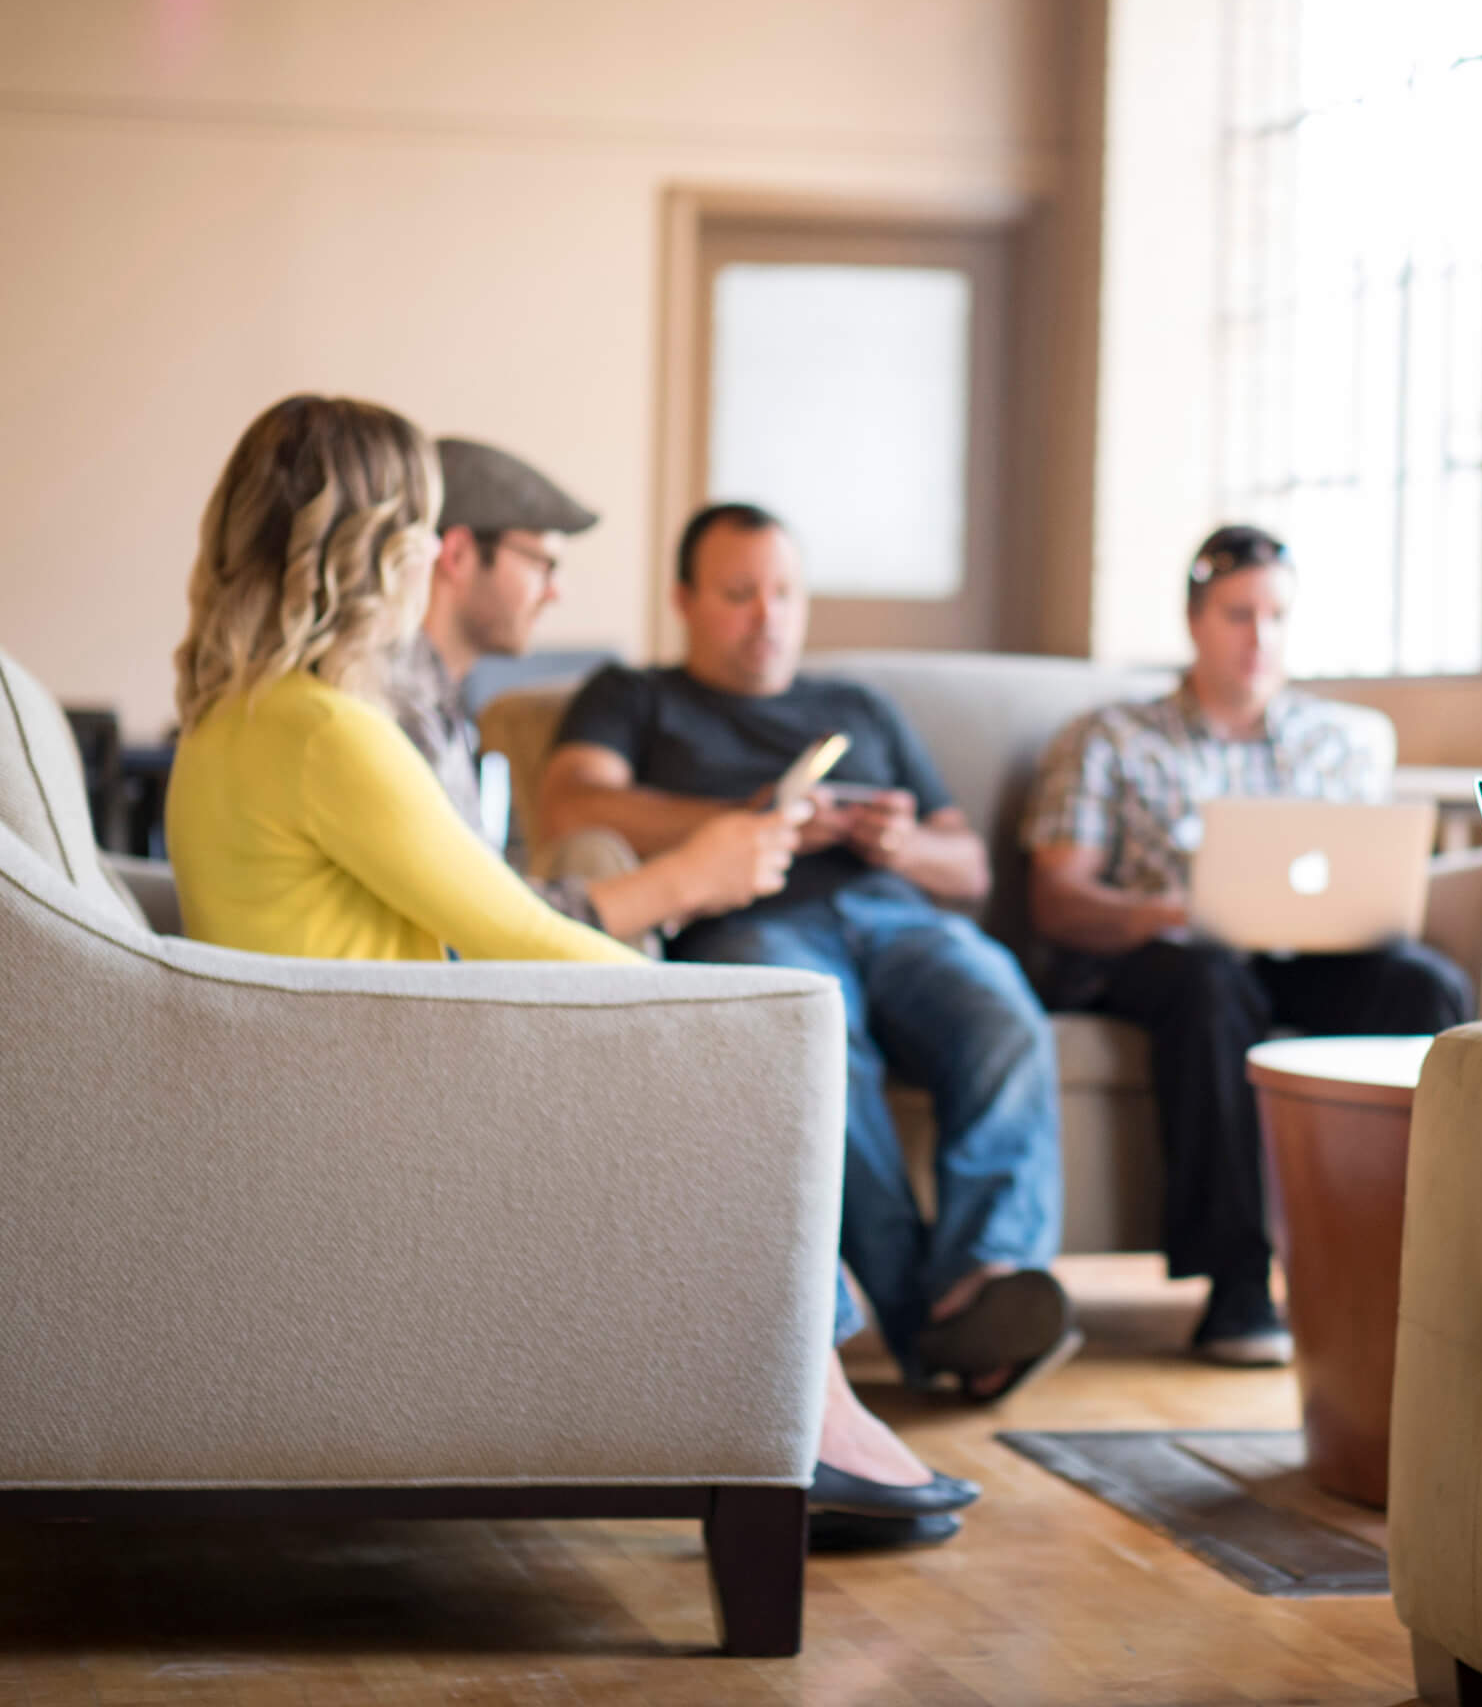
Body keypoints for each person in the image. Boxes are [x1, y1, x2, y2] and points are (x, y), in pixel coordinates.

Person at [166, 399, 977, 1551]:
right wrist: (711, 1015)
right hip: (378, 1108)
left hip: (344, 1078)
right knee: (740, 1088)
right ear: (390, 550)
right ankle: (815, 1427)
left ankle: (814, 1420)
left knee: (722, 1082)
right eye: (422, 534)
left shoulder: (235, 718)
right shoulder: (321, 731)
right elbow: (514, 932)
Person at [536, 503, 1075, 1400]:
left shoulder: (859, 706)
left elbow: (969, 867)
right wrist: (747, 817)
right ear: (684, 599)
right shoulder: (632, 696)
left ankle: (988, 1275)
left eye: (783, 593)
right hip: (751, 922)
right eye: (739, 594)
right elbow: (571, 808)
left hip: (895, 916)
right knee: (826, 1046)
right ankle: (930, 1327)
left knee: (1001, 1007)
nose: (767, 617)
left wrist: (901, 846)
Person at [1022, 526, 1473, 1366]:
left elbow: (1360, 874)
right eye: (1238, 614)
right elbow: (1057, 900)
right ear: (1195, 619)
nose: (1259, 637)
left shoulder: (1337, 743)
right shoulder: (1109, 738)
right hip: (1163, 958)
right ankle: (1236, 1285)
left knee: (1424, 986)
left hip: (1305, 959)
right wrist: (1164, 912)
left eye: (1276, 616)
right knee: (1210, 978)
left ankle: (1427, 1271)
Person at [395, 437, 792, 945]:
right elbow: (474, 928)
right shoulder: (398, 709)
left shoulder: (444, 701)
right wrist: (683, 881)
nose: (555, 591)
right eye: (542, 563)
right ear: (457, 554)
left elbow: (495, 894)